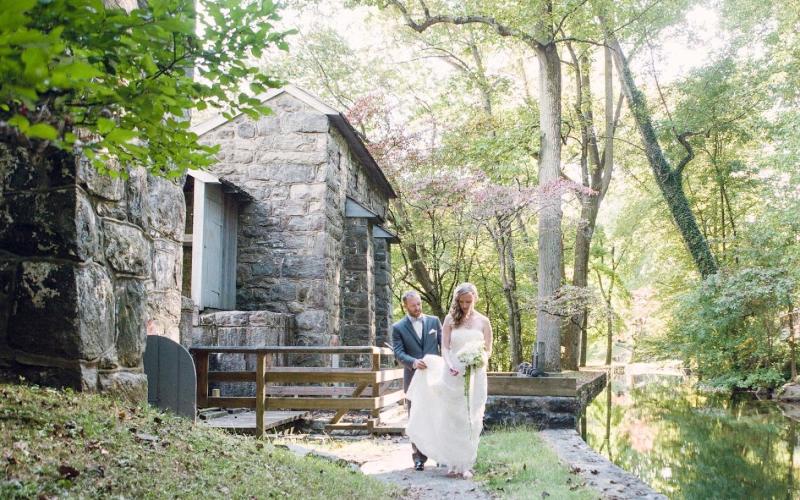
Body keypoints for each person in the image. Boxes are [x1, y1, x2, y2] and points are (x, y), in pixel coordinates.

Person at [404, 282, 492, 479]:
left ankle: (467, 463)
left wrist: (478, 360)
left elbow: (488, 349)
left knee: (472, 418)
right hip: (453, 374)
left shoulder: (484, 322)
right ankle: (453, 463)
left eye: (468, 301)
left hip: (475, 375)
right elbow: (445, 347)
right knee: (452, 417)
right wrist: (450, 364)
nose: (465, 305)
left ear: (475, 299)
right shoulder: (450, 319)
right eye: (461, 302)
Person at [392, 290, 443, 471]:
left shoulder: (434, 321)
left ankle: (441, 455)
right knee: (415, 416)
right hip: (413, 377)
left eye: (419, 304)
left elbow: (444, 345)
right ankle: (419, 458)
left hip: (435, 376)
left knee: (438, 414)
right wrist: (413, 362)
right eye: (413, 305)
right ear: (406, 306)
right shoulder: (398, 327)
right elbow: (398, 352)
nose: (417, 308)